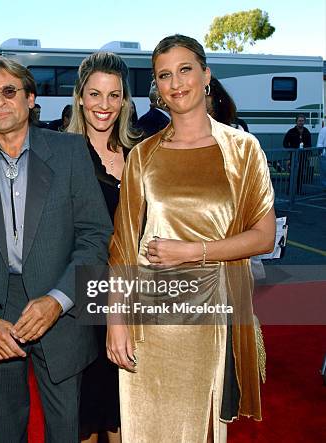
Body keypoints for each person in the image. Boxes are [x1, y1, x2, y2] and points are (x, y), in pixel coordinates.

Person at [107, 34, 275, 443]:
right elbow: (123, 246)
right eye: (165, 75)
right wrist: (115, 320)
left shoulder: (242, 149)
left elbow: (264, 236)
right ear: (157, 87)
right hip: (148, 318)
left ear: (206, 75)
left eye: (185, 69)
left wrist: (194, 251)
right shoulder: (143, 155)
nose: (176, 82)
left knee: (198, 429)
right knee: (145, 427)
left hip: (211, 317)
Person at [0, 55, 112, 443]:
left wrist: (58, 299)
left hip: (60, 309)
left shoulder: (70, 152)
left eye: (9, 91)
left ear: (30, 98)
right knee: (3, 431)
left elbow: (95, 235)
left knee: (66, 431)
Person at [66, 51, 140, 443]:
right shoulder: (60, 152)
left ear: (126, 100)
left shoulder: (141, 153)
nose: (104, 106)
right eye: (95, 94)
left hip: (130, 292)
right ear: (80, 97)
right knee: (85, 414)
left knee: (124, 412)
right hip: (81, 299)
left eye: (114, 96)